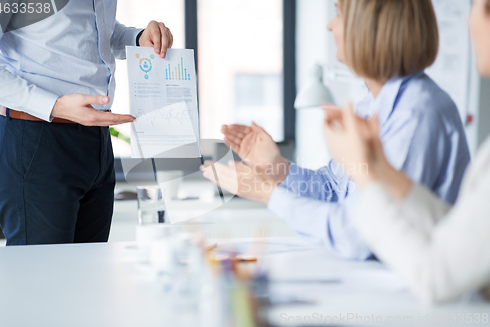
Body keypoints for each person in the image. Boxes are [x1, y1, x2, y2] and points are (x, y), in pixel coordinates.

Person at [202, 0, 471, 260]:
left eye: (339, 13)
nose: (330, 25)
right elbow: (334, 189)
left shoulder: (416, 114)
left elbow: (359, 236)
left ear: (370, 26)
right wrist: (276, 167)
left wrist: (268, 194)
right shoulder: (369, 105)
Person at [320, 0, 490, 304]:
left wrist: (365, 175)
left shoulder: (420, 108)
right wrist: (380, 168)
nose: (469, 23)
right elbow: (459, 235)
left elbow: (437, 277)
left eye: (476, 7)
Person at [0, 1, 173, 245]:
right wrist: (54, 105)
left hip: (97, 144)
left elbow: (94, 31)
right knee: (43, 277)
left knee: (88, 274)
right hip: (36, 141)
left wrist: (137, 37)